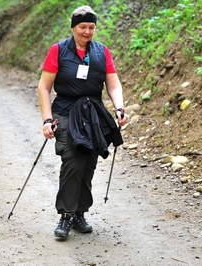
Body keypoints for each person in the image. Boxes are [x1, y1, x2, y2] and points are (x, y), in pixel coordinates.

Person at [37, 5, 128, 240]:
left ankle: (80, 212)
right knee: (73, 159)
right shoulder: (58, 50)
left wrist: (119, 106)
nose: (87, 32)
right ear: (73, 27)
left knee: (88, 162)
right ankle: (65, 216)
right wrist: (47, 119)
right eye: (82, 27)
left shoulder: (101, 52)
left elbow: (113, 84)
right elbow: (44, 87)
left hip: (92, 113)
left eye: (91, 27)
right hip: (66, 111)